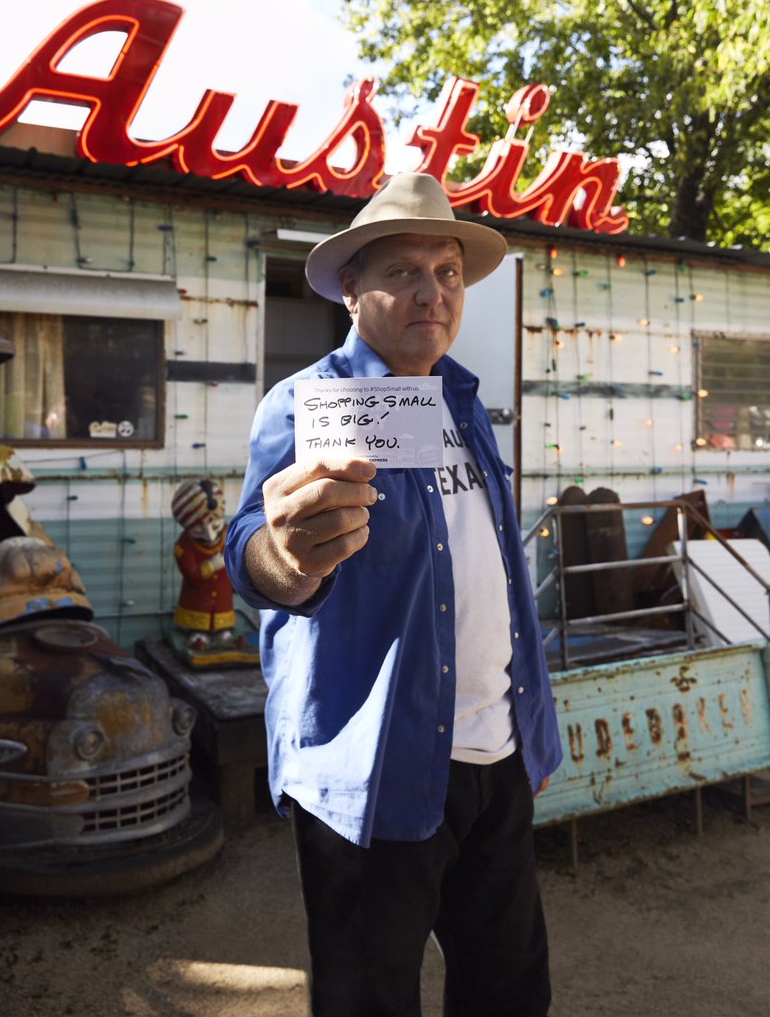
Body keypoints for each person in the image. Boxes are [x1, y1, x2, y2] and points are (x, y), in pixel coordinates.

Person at [225, 172, 562, 1017]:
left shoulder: (464, 401)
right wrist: (290, 557)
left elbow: (494, 574)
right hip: (372, 767)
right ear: (351, 289)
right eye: (402, 273)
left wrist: (532, 733)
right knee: (368, 998)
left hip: (497, 754)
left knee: (510, 990)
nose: (431, 293)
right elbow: (249, 555)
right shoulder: (306, 403)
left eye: (445, 273)